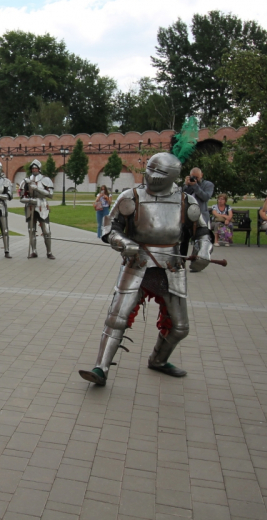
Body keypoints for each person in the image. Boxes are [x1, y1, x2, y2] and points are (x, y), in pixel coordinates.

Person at [78, 152, 213, 387]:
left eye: (159, 172)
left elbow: (201, 230)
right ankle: (101, 367)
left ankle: (159, 360)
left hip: (171, 266)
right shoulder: (131, 197)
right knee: (116, 318)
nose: (152, 175)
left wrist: (204, 251)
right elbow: (110, 227)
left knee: (180, 327)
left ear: (172, 176)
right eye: (150, 168)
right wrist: (122, 242)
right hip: (137, 263)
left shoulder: (185, 200)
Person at [20, 159, 55, 259]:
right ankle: (34, 251)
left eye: (36, 168)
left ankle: (49, 252)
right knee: (31, 230)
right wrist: (30, 200)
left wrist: (37, 188)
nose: (34, 170)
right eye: (33, 168)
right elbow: (21, 197)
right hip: (30, 206)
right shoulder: (26, 181)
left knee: (46, 230)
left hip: (42, 205)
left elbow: (50, 194)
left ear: (39, 169)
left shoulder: (46, 179)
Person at [180, 167, 214, 256]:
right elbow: (180, 196)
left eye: (197, 177)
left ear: (201, 175)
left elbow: (205, 197)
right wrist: (185, 185)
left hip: (201, 217)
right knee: (183, 240)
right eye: (193, 176)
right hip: (186, 217)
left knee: (200, 241)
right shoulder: (187, 185)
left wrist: (195, 186)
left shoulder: (208, 184)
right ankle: (181, 260)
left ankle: (197, 259)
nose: (194, 179)